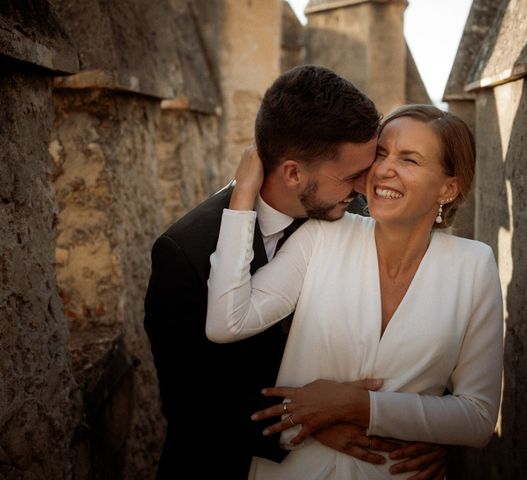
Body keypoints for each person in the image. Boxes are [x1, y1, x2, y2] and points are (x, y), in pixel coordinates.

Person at [144, 66, 447, 480]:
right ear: (292, 173)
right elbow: (187, 398)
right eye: (351, 176)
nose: (365, 188)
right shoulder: (184, 251)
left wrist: (430, 432)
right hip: (220, 465)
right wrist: (309, 424)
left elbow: (420, 322)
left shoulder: (360, 217)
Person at [206, 104, 504, 479]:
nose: (384, 169)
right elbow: (227, 322)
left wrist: (360, 406)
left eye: (409, 159)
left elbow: (477, 418)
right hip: (294, 469)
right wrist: (243, 196)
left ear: (448, 187)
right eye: (381, 153)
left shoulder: (474, 266)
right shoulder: (322, 236)